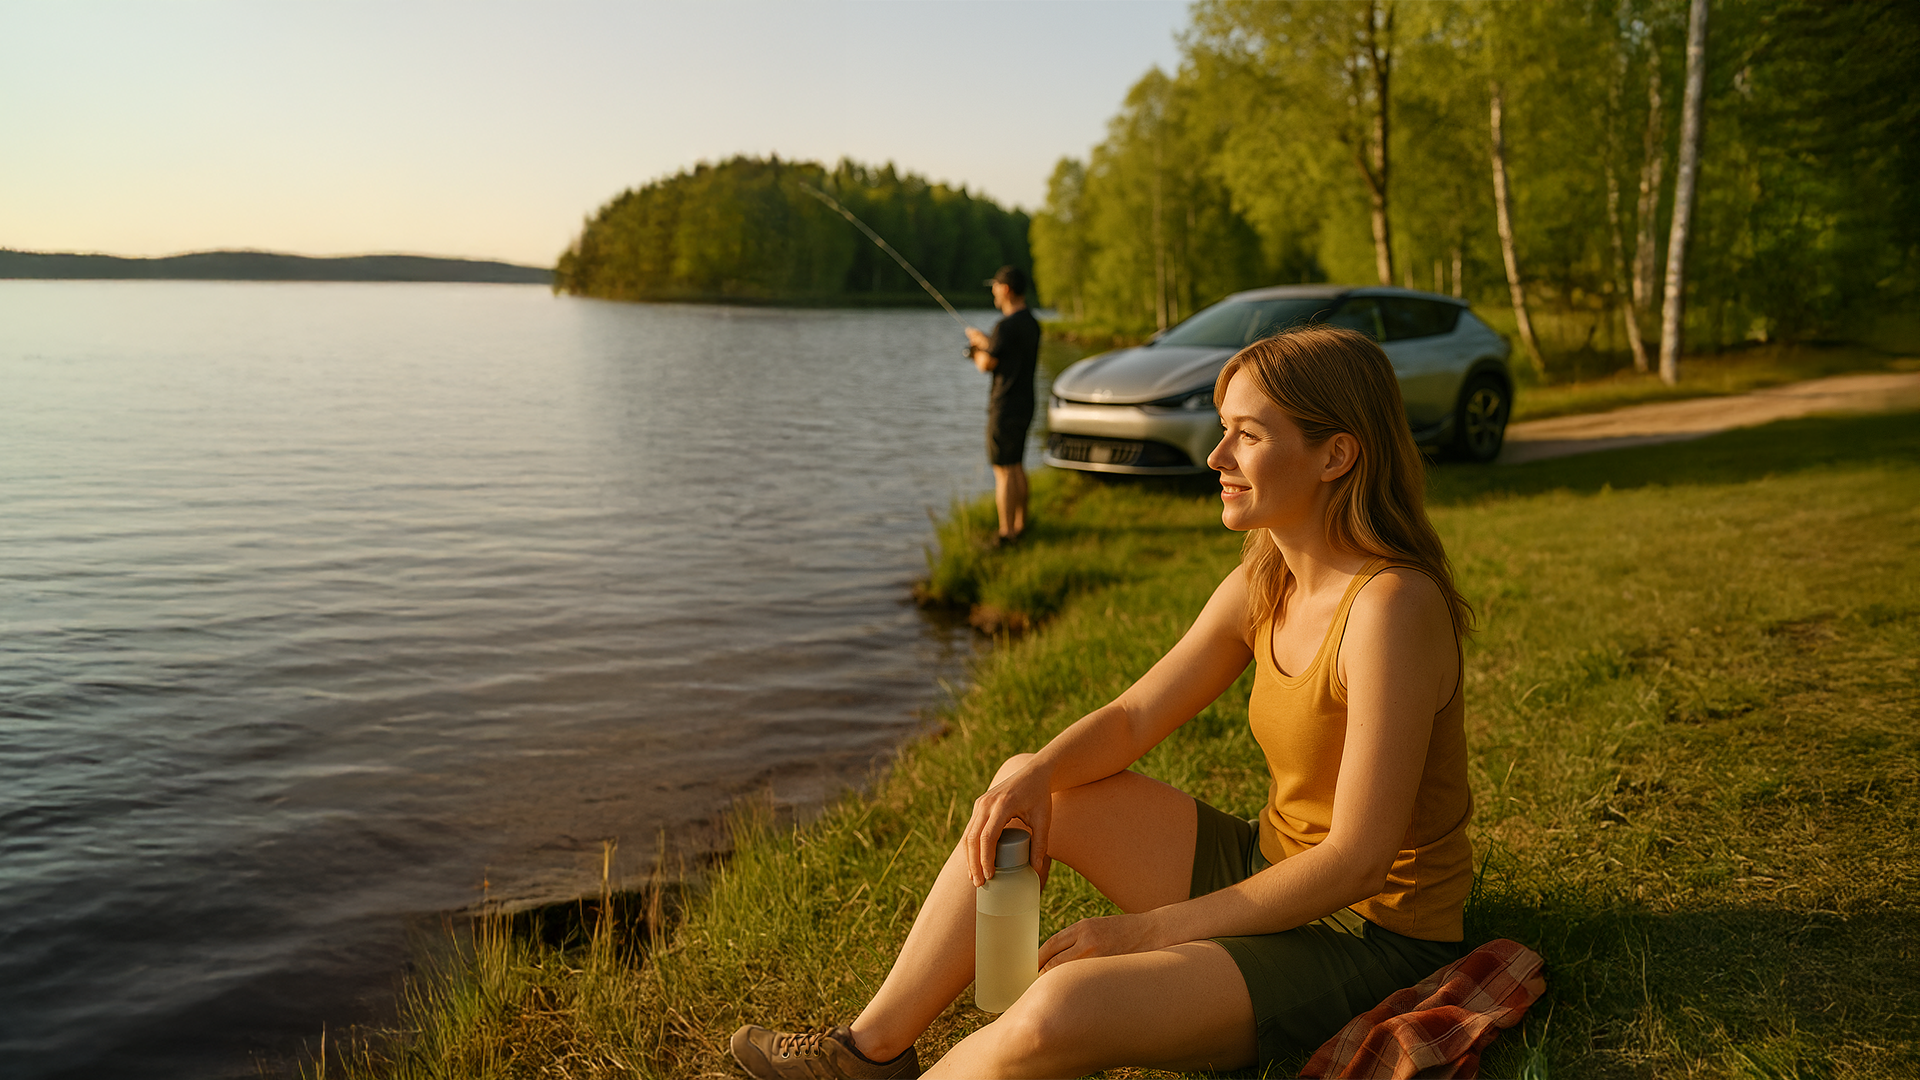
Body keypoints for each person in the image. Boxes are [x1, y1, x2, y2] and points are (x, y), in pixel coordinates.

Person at [730, 326, 1475, 1079]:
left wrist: (1150, 932)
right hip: (1267, 864)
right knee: (1028, 787)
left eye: (1248, 436)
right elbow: (1133, 717)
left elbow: (1356, 863)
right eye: (1223, 430)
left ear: (1336, 455)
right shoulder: (1265, 582)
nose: (1217, 457)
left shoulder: (1390, 608)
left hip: (1369, 936)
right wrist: (1034, 773)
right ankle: (866, 1052)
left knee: (1057, 1010)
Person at [964, 266, 1040, 546]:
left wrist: (975, 350)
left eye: (995, 287)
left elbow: (987, 364)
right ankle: (1021, 525)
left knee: (1004, 470)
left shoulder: (1005, 327)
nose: (993, 292)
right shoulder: (1031, 323)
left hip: (1004, 407)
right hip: (1026, 403)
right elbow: (1007, 352)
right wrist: (986, 341)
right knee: (1017, 465)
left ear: (1006, 289)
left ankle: (1006, 535)